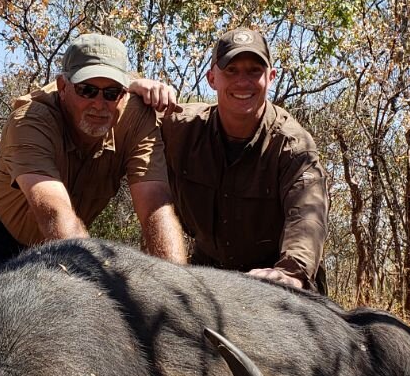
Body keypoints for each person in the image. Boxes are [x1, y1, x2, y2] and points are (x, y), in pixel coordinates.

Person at [0, 32, 186, 293]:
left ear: (124, 92)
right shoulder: (30, 120)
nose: (99, 104)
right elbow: (54, 213)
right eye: (87, 90)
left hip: (58, 237)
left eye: (111, 93)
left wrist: (176, 289)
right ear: (63, 87)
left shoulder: (137, 118)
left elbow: (155, 206)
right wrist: (106, 293)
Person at [132, 26, 328, 292]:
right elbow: (118, 107)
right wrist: (133, 83)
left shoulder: (293, 147)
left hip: (275, 276)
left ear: (270, 77)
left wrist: (291, 272)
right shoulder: (182, 127)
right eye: (231, 71)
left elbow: (308, 212)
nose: (242, 82)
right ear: (212, 78)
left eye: (254, 71)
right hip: (210, 273)